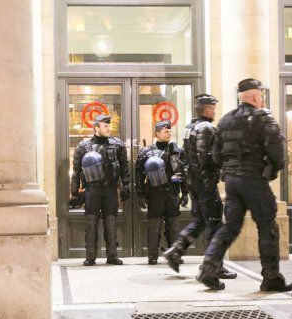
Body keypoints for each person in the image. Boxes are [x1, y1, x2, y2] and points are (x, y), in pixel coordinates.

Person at [196, 78, 292, 292]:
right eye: (261, 96)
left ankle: (208, 269)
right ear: (255, 96)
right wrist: (273, 168)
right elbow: (277, 152)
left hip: (232, 181)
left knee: (230, 226)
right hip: (254, 179)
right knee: (267, 226)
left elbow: (216, 156)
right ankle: (271, 277)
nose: (262, 99)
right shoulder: (263, 117)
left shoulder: (225, 120)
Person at [163, 94, 236, 280]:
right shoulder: (208, 128)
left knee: (200, 221)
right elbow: (208, 158)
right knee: (214, 222)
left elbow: (183, 156)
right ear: (207, 109)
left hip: (192, 181)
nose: (215, 111)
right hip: (205, 182)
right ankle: (214, 267)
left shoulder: (189, 128)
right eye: (213, 107)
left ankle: (176, 251)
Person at [70, 114, 130, 266]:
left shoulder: (117, 144)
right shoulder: (83, 146)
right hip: (92, 191)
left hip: (110, 189)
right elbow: (76, 171)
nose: (109, 128)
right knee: (91, 223)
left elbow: (124, 167)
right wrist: (75, 191)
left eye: (109, 125)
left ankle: (112, 255)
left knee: (111, 222)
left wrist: (126, 185)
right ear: (96, 128)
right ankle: (90, 256)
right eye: (105, 125)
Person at [134, 120, 187, 265]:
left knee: (174, 227)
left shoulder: (176, 150)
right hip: (155, 194)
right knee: (154, 227)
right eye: (166, 131)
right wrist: (141, 195)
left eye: (170, 131)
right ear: (157, 133)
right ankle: (152, 256)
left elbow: (183, 173)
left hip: (172, 193)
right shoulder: (146, 151)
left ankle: (174, 255)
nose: (169, 133)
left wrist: (185, 193)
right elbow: (139, 175)